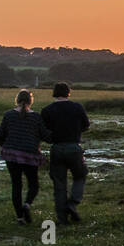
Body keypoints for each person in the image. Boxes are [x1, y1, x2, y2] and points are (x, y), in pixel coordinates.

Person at [0, 90, 50, 224]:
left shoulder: (8, 115)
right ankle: (27, 205)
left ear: (17, 100)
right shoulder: (36, 117)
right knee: (34, 184)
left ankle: (20, 217)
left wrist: (6, 146)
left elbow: (0, 134)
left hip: (11, 154)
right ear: (31, 101)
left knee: (16, 185)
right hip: (30, 154)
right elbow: (45, 136)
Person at [40, 82, 91, 224]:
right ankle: (73, 202)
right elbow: (86, 126)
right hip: (74, 147)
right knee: (80, 175)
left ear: (54, 93)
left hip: (56, 148)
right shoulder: (77, 107)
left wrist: (51, 139)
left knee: (59, 183)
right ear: (68, 92)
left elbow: (43, 131)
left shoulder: (47, 110)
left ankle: (62, 218)